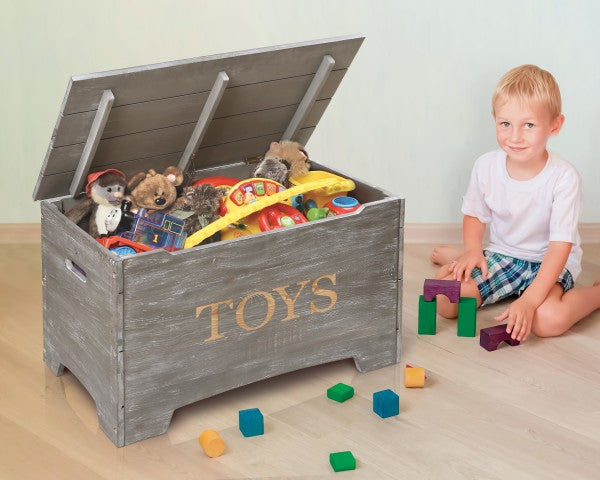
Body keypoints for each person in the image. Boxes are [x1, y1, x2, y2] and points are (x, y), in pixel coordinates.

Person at [430, 64, 600, 342]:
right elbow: (475, 214)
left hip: (549, 261)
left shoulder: (564, 177)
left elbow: (559, 247)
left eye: (529, 125)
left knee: (547, 322)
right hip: (503, 255)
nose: (515, 136)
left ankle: (596, 294)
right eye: (505, 124)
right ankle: (463, 254)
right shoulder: (486, 166)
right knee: (444, 299)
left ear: (554, 125)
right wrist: (473, 249)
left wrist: (530, 301)